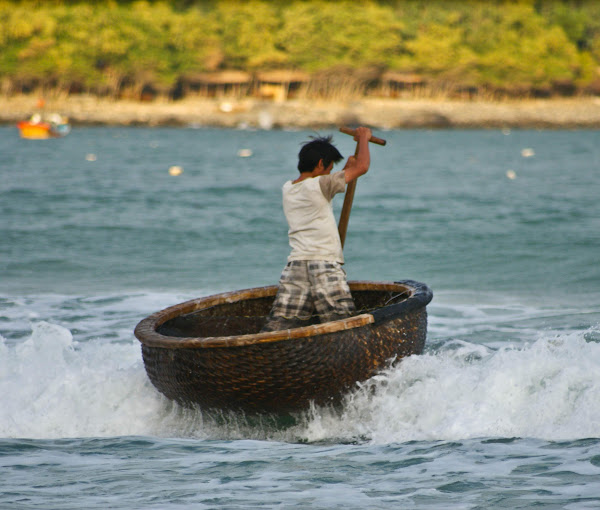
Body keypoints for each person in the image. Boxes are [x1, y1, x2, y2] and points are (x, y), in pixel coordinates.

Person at [262, 126, 373, 332]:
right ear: (321, 164)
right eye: (330, 168)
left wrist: (345, 169)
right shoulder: (321, 184)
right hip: (323, 264)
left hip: (296, 265)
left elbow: (327, 183)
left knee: (281, 325)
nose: (331, 173)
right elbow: (363, 166)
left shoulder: (289, 188)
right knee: (343, 323)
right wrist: (364, 138)